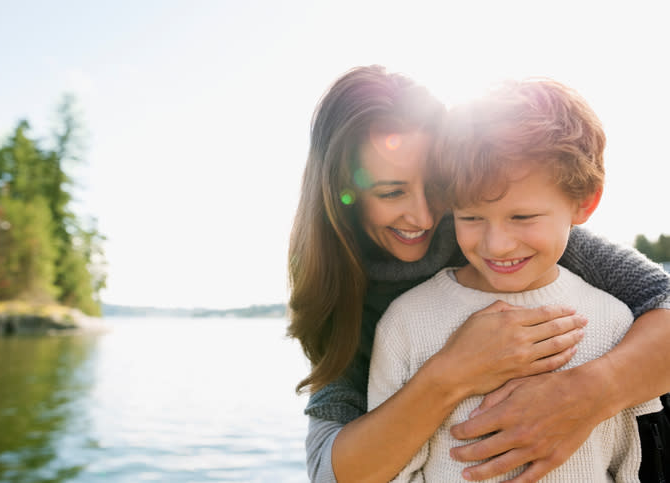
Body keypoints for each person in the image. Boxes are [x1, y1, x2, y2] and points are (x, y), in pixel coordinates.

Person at [287, 65, 670, 483]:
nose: (424, 215)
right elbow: (330, 470)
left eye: (437, 186)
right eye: (392, 191)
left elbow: (662, 301)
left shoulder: (494, 221)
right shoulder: (348, 295)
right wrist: (450, 374)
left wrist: (585, 394)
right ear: (344, 195)